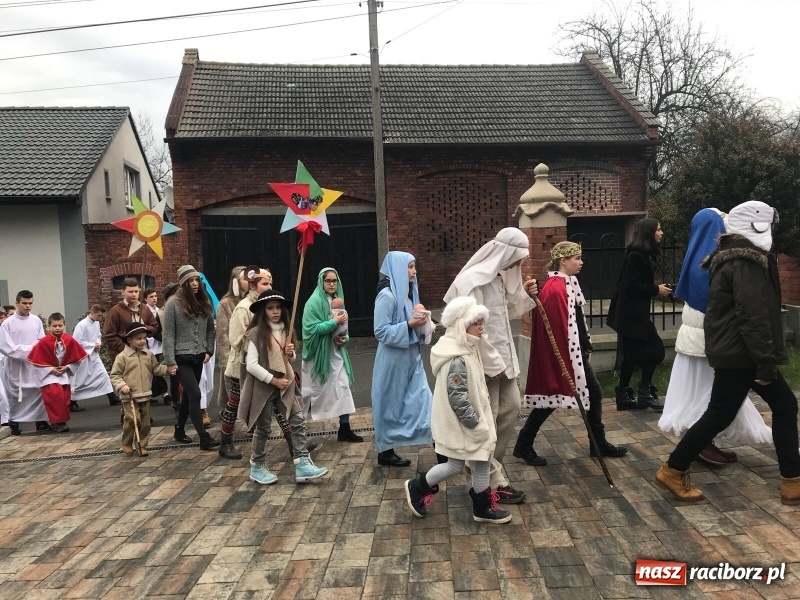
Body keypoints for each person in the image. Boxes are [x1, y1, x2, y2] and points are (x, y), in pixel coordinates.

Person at [656, 201, 800, 505]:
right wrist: (765, 364)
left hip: (737, 352)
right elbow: (753, 316)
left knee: (772, 408)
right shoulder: (746, 262)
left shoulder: (733, 258)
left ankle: (791, 479)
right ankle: (673, 469)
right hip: (743, 354)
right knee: (736, 412)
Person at [659, 209, 772, 465]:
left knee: (708, 395)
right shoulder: (710, 259)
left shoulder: (696, 253)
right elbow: (717, 303)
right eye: (721, 219)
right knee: (709, 396)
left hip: (698, 337)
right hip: (707, 340)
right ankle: (699, 444)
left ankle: (700, 443)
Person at [443, 227, 539, 504]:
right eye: (517, 259)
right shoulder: (473, 281)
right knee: (488, 420)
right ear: (504, 253)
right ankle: (490, 481)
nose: (518, 265)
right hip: (484, 364)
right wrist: (492, 361)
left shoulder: (496, 278)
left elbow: (506, 311)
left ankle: (486, 471)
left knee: (510, 410)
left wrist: (526, 293)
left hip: (503, 362)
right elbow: (471, 329)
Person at [514, 242, 628, 466]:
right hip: (565, 353)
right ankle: (525, 443)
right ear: (563, 261)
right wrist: (569, 356)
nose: (581, 262)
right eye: (576, 258)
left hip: (574, 352)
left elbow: (574, 320)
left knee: (576, 395)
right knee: (558, 396)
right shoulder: (556, 288)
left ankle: (596, 443)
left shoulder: (568, 283)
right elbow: (557, 328)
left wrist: (584, 343)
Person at [405, 296, 512, 523]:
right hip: (463, 423)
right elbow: (458, 396)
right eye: (477, 323)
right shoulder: (457, 358)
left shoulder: (469, 347)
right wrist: (475, 422)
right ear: (462, 325)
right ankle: (418, 486)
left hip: (470, 421)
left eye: (482, 322)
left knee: (481, 457)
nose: (482, 327)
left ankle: (481, 507)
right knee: (454, 464)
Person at [239, 290, 328, 485]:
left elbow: (287, 360)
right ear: (263, 311)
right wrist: (273, 380)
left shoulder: (285, 330)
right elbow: (252, 365)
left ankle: (302, 462)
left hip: (285, 384)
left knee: (297, 420)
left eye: (278, 307)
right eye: (270, 308)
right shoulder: (255, 334)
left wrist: (291, 352)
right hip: (263, 386)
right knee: (263, 429)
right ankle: (257, 466)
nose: (275, 311)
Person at [372, 252, 433, 466]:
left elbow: (415, 324)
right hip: (392, 362)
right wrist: (409, 325)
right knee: (390, 403)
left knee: (424, 400)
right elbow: (380, 331)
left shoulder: (408, 295)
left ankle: (441, 447)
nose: (414, 272)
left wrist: (425, 325)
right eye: (410, 267)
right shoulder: (387, 296)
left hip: (412, 358)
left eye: (414, 266)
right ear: (398, 268)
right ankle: (386, 450)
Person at [606, 218, 669, 411]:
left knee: (632, 355)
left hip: (633, 314)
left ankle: (624, 395)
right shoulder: (636, 255)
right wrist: (655, 289)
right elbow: (630, 286)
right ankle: (643, 394)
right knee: (655, 350)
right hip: (630, 315)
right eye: (659, 229)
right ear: (649, 233)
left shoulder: (643, 254)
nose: (662, 232)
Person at [219, 266, 274, 459]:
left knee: (277, 401)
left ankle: (295, 443)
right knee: (233, 405)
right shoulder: (243, 308)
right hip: (241, 367)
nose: (269, 287)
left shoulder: (267, 306)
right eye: (265, 283)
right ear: (253, 285)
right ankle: (225, 442)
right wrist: (253, 336)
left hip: (265, 363)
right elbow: (235, 339)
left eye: (270, 283)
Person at [162, 265, 218, 450]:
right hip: (180, 358)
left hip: (199, 356)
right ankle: (203, 437)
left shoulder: (204, 301)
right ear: (183, 283)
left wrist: (208, 349)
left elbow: (210, 328)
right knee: (195, 394)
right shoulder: (173, 304)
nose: (194, 284)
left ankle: (179, 430)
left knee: (188, 397)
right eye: (190, 281)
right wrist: (170, 361)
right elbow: (168, 334)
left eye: (196, 280)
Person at [301, 268, 361, 443]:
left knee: (343, 386)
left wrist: (345, 338)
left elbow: (344, 328)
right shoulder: (312, 303)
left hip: (335, 353)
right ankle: (298, 432)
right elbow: (310, 330)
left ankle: (345, 428)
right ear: (322, 282)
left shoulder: (337, 301)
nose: (332, 284)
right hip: (318, 357)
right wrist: (333, 322)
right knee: (310, 393)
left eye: (335, 281)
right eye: (328, 281)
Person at [110, 323, 171, 455]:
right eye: (138, 339)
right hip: (129, 395)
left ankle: (142, 445)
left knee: (145, 422)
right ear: (129, 340)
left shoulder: (148, 354)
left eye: (144, 338)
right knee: (132, 419)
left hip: (145, 394)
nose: (142, 341)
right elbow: (115, 375)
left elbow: (156, 369)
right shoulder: (122, 357)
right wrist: (122, 385)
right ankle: (126, 441)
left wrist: (168, 369)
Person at [27, 313, 87, 433]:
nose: (58, 328)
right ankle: (57, 423)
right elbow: (36, 361)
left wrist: (67, 367)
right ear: (49, 327)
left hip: (63, 374)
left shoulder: (69, 340)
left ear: (64, 325)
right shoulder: (43, 342)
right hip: (49, 375)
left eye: (60, 325)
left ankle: (61, 421)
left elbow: (77, 359)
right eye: (55, 326)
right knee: (55, 396)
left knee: (64, 399)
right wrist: (50, 369)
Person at [0, 290, 49, 435]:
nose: (28, 306)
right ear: (17, 303)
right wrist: (29, 349)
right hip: (16, 364)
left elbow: (41, 340)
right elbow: (5, 346)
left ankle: (40, 421)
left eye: (30, 303)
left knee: (37, 390)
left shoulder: (36, 320)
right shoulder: (7, 323)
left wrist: (36, 351)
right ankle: (14, 422)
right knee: (15, 394)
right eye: (24, 303)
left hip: (33, 363)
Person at [102, 278, 157, 406]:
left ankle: (144, 413)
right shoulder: (116, 311)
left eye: (136, 291)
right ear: (123, 292)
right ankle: (128, 413)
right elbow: (109, 334)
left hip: (142, 352)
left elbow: (154, 327)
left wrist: (144, 328)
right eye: (130, 291)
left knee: (143, 381)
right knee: (128, 384)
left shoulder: (144, 309)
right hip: (124, 353)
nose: (134, 294)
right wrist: (125, 349)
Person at [214, 266, 247, 415]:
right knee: (233, 396)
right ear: (236, 282)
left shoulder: (253, 300)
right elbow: (222, 336)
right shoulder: (225, 304)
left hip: (250, 356)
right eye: (245, 279)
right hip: (234, 357)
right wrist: (226, 361)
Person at [71, 305, 115, 411]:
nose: (100, 318)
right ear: (92, 313)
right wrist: (92, 345)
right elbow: (76, 341)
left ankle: (112, 397)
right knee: (79, 381)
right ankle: (72, 402)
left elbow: (98, 336)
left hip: (94, 355)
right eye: (99, 315)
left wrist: (98, 343)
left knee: (103, 375)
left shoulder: (96, 322)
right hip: (83, 356)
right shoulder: (81, 325)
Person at [142, 288, 168, 404]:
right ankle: (164, 392)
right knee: (153, 369)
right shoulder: (144, 311)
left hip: (158, 345)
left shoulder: (159, 310)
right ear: (145, 299)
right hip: (149, 344)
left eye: (155, 296)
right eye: (151, 297)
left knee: (153, 369)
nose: (154, 298)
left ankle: (150, 393)